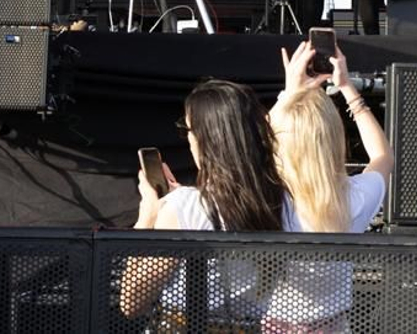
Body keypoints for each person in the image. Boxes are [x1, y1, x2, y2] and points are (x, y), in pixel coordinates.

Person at [120, 79, 291, 323]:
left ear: (207, 138)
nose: (188, 139)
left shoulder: (183, 206)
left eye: (188, 130)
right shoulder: (281, 198)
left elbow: (131, 303)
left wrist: (147, 217)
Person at [270, 42, 391, 234]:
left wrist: (289, 94)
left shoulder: (267, 199)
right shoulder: (356, 199)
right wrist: (346, 86)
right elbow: (383, 156)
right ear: (336, 136)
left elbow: (252, 142)